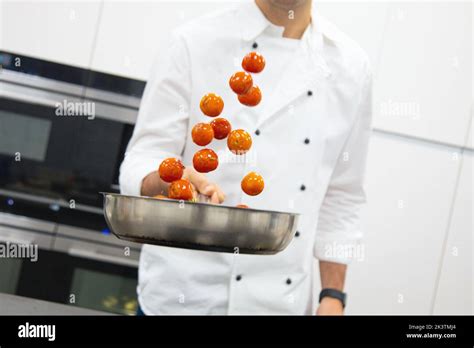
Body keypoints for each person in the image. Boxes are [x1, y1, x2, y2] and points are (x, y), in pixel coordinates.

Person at [120, 0, 372, 315]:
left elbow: (342, 194)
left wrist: (333, 296)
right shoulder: (193, 42)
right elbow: (143, 156)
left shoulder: (351, 66)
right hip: (181, 297)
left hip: (279, 303)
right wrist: (171, 177)